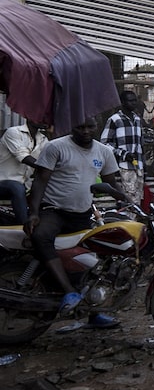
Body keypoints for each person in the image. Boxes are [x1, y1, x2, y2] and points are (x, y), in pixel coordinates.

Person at [25, 117, 129, 329]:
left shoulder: (104, 152)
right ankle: (69, 292)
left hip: (82, 214)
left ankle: (93, 313)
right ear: (71, 126)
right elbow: (40, 181)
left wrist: (129, 202)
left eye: (90, 126)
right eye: (80, 126)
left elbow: (112, 183)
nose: (85, 131)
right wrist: (33, 213)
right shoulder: (56, 147)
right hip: (53, 210)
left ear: (96, 126)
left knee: (91, 261)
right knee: (41, 236)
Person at [101, 90, 146, 205]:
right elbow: (104, 143)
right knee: (128, 197)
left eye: (135, 100)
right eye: (130, 101)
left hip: (138, 166)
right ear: (122, 102)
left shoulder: (137, 119)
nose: (134, 103)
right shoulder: (115, 119)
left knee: (138, 197)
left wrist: (143, 161)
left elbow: (141, 143)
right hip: (124, 166)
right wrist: (123, 154)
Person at [0, 119, 48, 224]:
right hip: (3, 183)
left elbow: (48, 161)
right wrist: (46, 167)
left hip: (25, 187)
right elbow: (24, 157)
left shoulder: (43, 139)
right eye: (41, 116)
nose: (45, 119)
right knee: (15, 187)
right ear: (29, 116)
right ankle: (23, 227)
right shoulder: (13, 132)